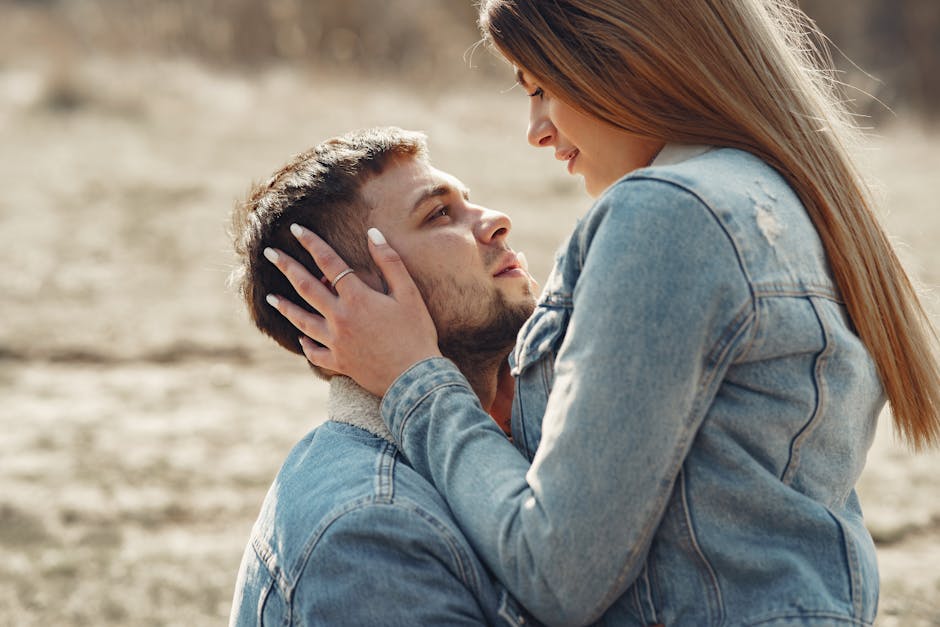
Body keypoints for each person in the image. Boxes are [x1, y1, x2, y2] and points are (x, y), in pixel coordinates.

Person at [266, 1, 940, 625]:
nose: (535, 130)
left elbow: (559, 571)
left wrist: (417, 376)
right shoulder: (772, 199)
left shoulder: (670, 214)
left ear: (617, 55)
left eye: (539, 87)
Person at [227, 127, 540, 626]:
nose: (497, 221)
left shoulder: (537, 417)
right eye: (439, 214)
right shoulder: (368, 531)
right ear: (348, 300)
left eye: (469, 202)